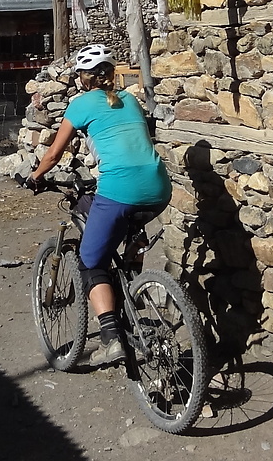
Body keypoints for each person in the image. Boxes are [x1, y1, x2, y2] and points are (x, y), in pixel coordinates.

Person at [27, 43, 171, 367]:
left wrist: (35, 177)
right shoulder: (130, 100)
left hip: (120, 187)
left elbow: (53, 153)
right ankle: (133, 282)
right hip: (160, 187)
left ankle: (111, 337)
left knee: (90, 262)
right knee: (129, 224)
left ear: (84, 77)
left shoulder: (80, 104)